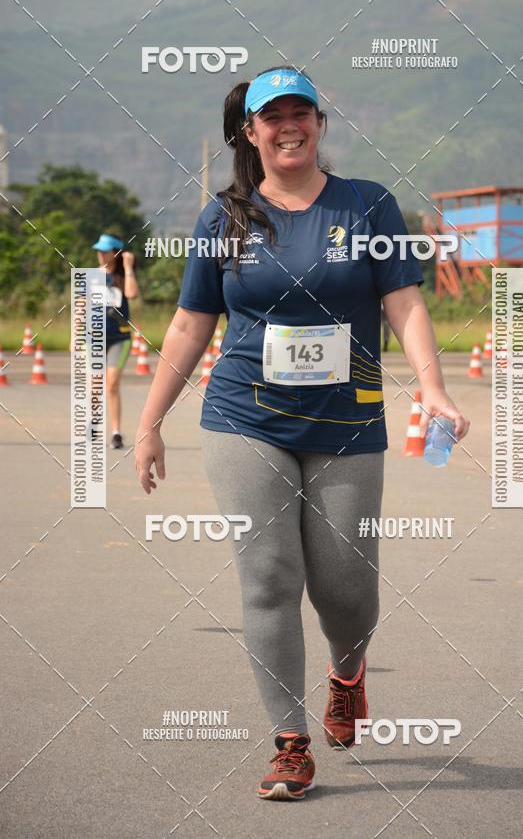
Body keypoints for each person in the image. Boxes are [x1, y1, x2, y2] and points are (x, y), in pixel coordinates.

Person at [134, 66, 469, 801]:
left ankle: (347, 674)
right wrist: (150, 421)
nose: (289, 127)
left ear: (319, 123)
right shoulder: (223, 219)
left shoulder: (368, 205)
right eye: (272, 117)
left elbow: (404, 303)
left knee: (346, 590)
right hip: (244, 418)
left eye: (301, 113)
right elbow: (190, 323)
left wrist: (433, 388)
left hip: (347, 421)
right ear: (250, 132)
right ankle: (290, 743)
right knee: (268, 578)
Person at [92, 232, 139, 449]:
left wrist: (128, 268)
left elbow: (132, 294)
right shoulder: (93, 275)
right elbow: (81, 306)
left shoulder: (123, 276)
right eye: (98, 251)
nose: (100, 255)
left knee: (111, 384)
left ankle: (116, 432)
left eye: (105, 251)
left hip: (119, 338)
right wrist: (75, 336)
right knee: (94, 385)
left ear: (116, 253)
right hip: (93, 338)